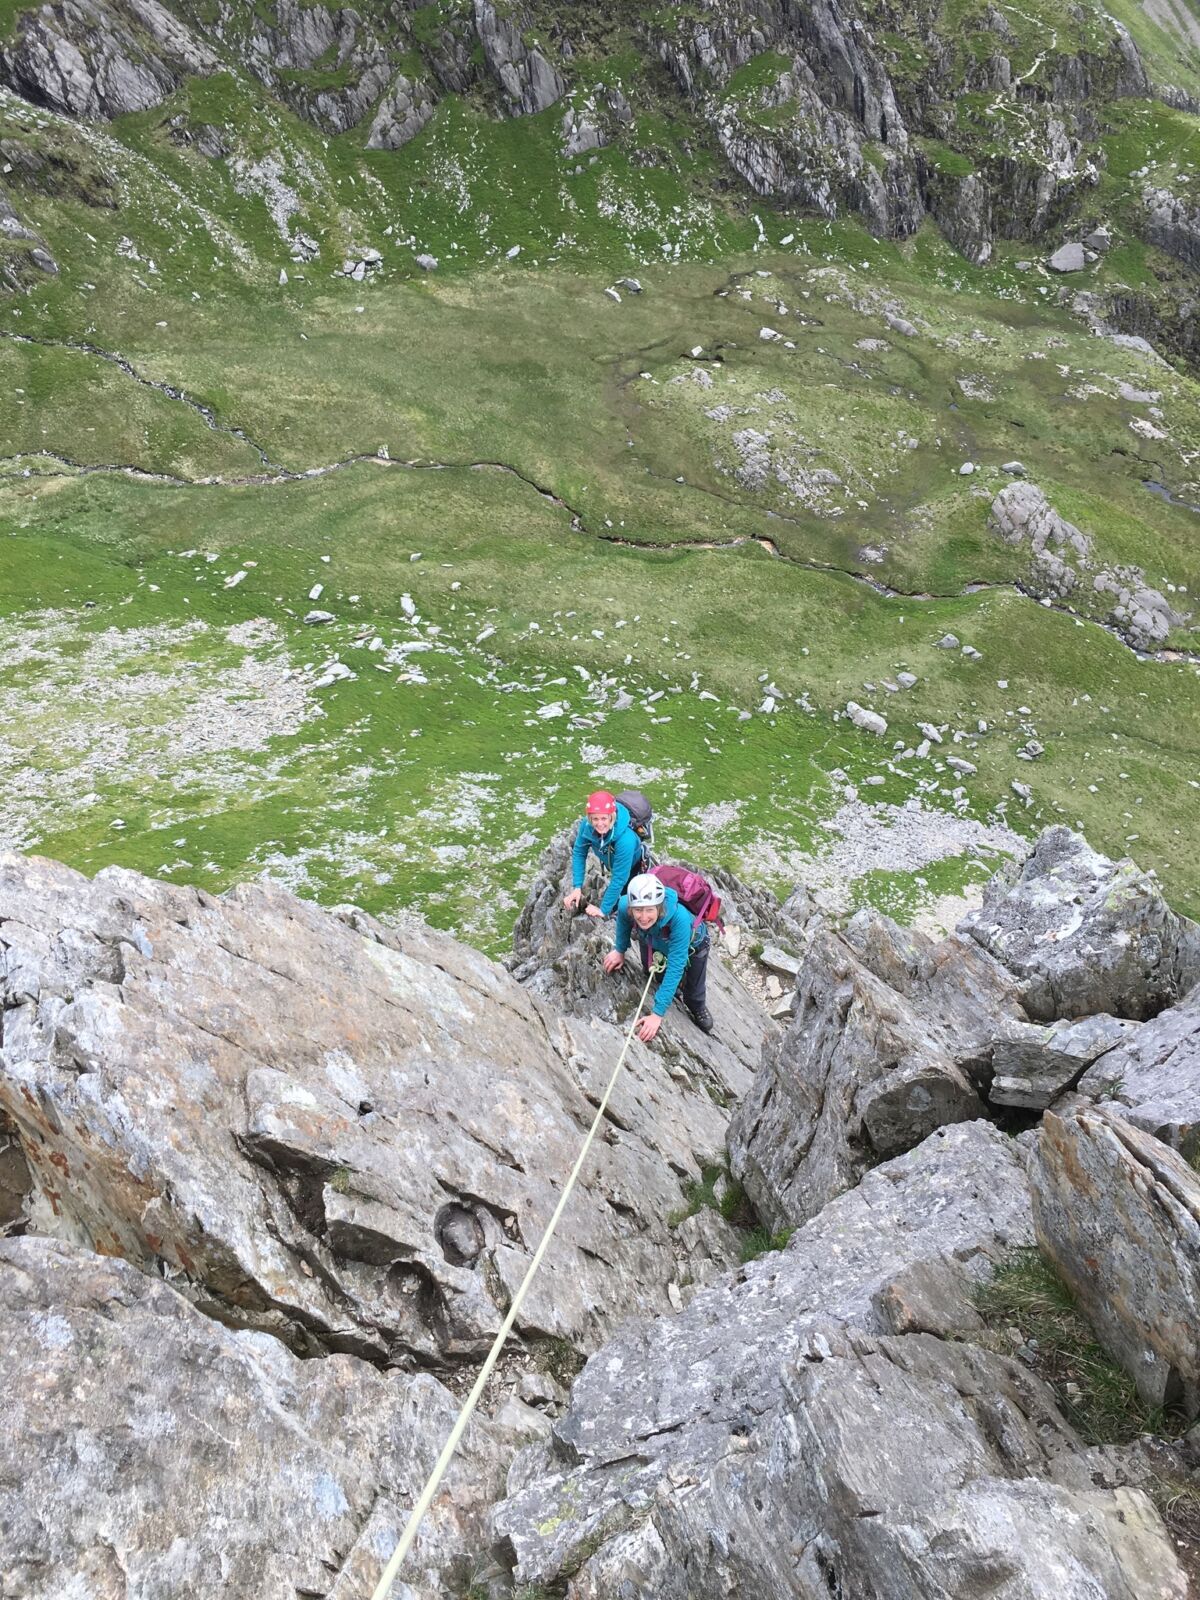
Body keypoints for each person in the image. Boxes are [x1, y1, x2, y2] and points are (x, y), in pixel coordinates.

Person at [603, 872, 714, 1041]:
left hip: (694, 945)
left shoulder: (680, 920)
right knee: (652, 973)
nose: (644, 916)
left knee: (692, 993)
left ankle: (696, 1004)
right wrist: (619, 950)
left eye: (649, 910)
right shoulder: (626, 904)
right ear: (632, 908)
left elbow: (677, 964)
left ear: (659, 907)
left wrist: (657, 1013)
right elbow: (623, 921)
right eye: (638, 910)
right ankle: (675, 987)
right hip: (654, 938)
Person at [562, 790, 647, 920]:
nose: (599, 824)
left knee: (626, 905)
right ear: (590, 818)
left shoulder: (626, 840)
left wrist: (603, 910)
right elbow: (579, 852)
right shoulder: (587, 825)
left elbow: (619, 879)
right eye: (595, 818)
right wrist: (577, 887)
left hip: (633, 868)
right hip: (613, 863)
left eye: (603, 818)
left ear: (611, 816)